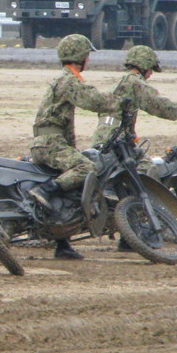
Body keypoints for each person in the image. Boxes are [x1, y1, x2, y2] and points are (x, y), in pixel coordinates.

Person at [28, 34, 121, 260]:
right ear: (80, 57)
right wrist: (120, 102)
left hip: (50, 143)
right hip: (50, 144)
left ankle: (63, 245)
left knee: (70, 194)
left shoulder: (65, 79)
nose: (89, 59)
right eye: (87, 55)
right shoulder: (70, 80)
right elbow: (92, 101)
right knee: (87, 168)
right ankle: (44, 190)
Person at [91, 44, 177, 170]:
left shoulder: (121, 82)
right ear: (144, 66)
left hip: (102, 139)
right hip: (117, 140)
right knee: (148, 169)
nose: (151, 73)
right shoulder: (136, 83)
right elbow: (158, 105)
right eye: (151, 69)